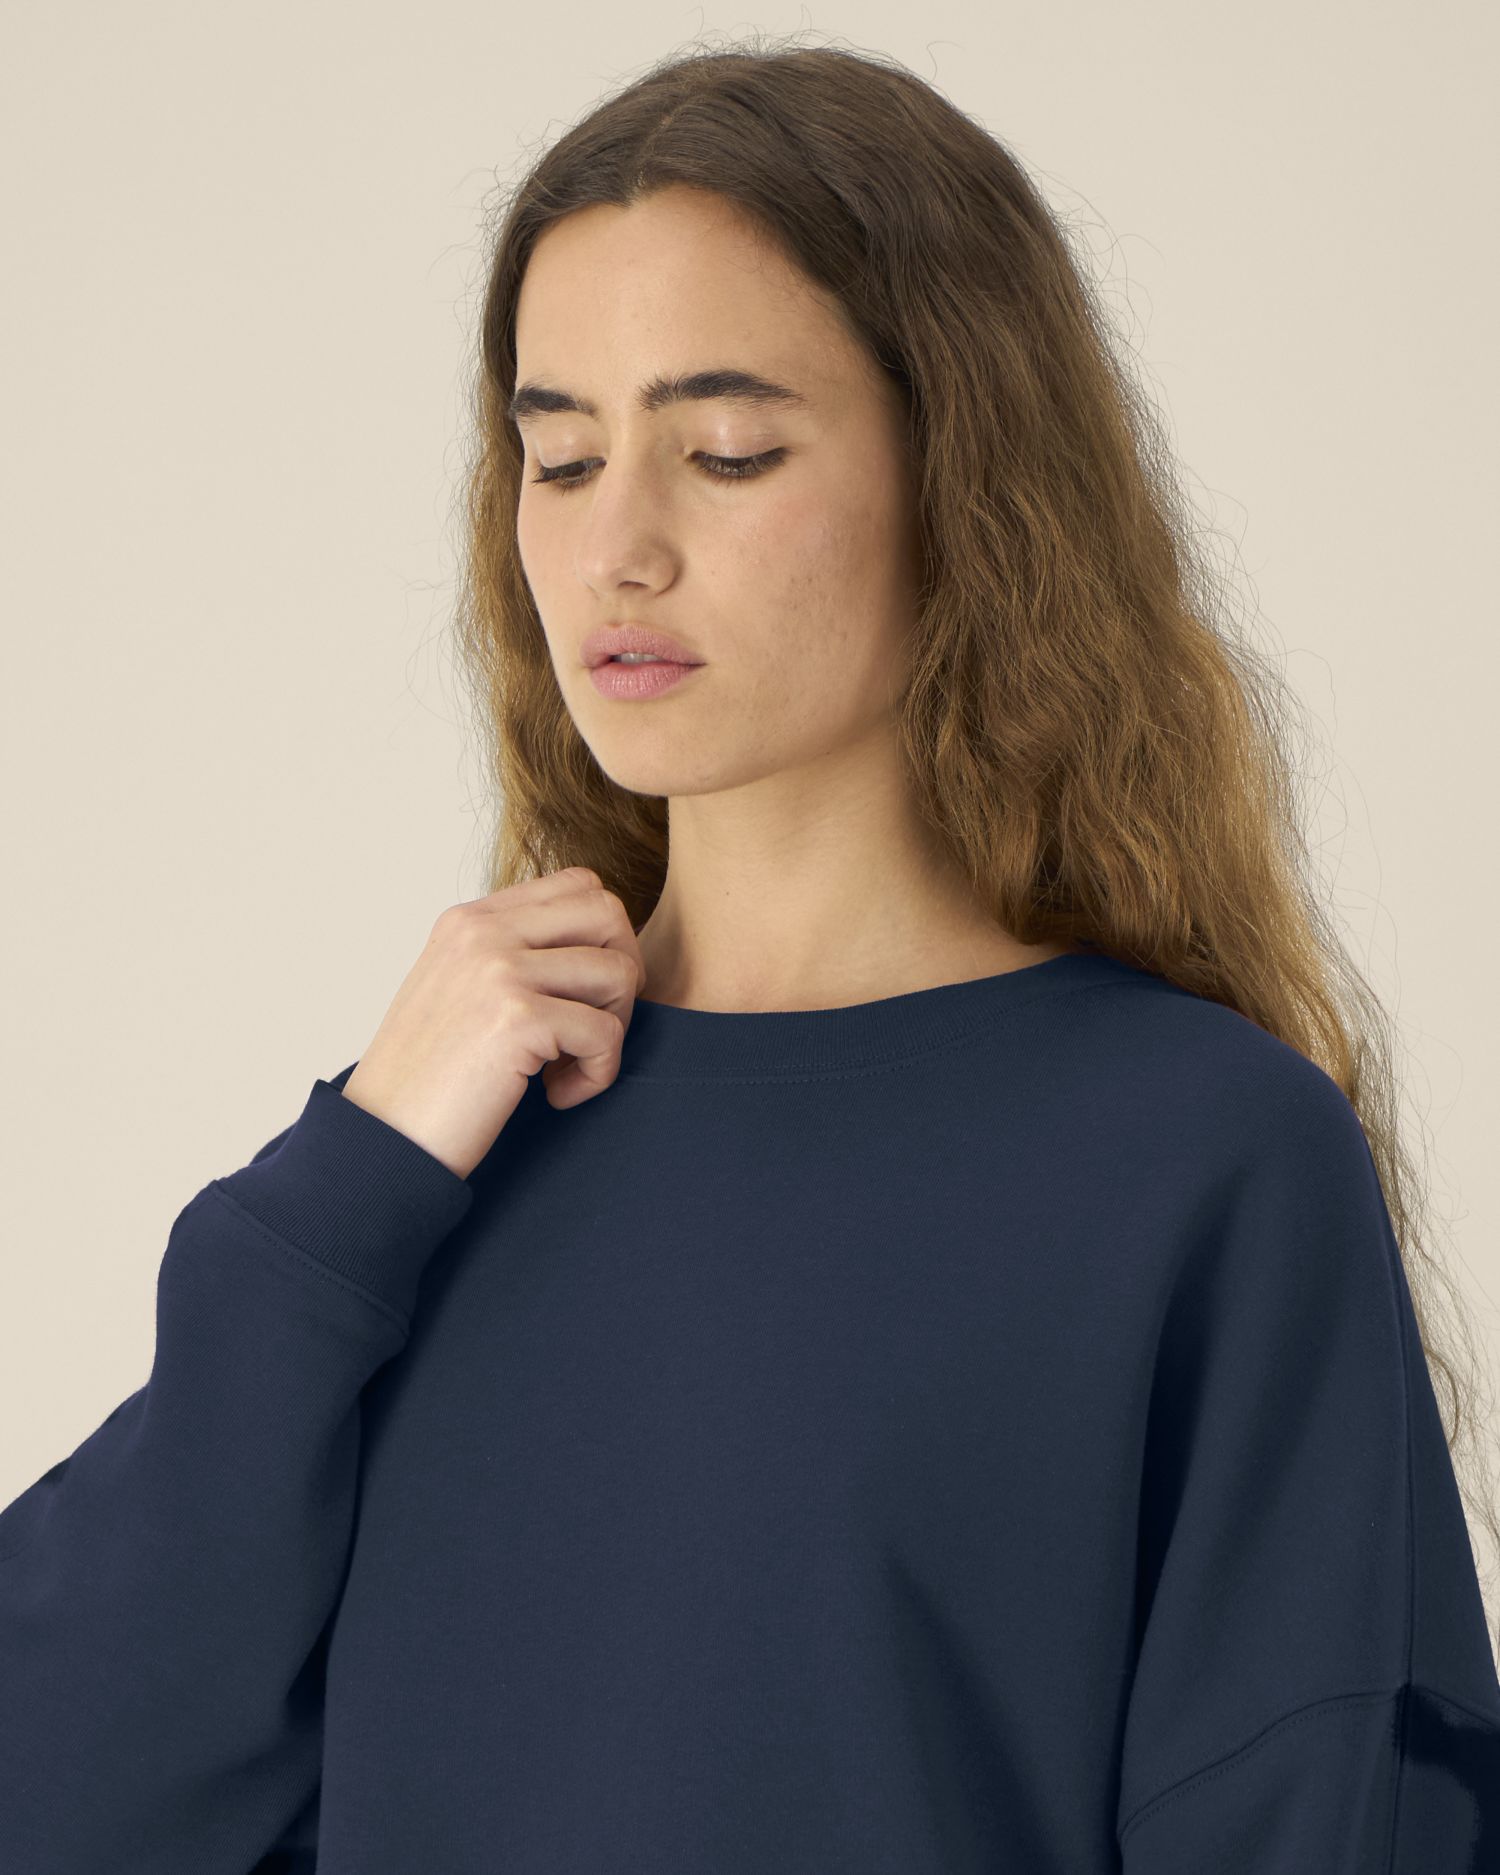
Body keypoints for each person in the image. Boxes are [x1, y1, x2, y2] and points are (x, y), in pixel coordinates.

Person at [3, 35, 1498, 1875]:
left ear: (965, 477)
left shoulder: (1202, 1159)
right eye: (560, 457)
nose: (616, 548)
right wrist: (348, 1183)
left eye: (726, 453)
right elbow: (58, 1792)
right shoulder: (432, 1162)